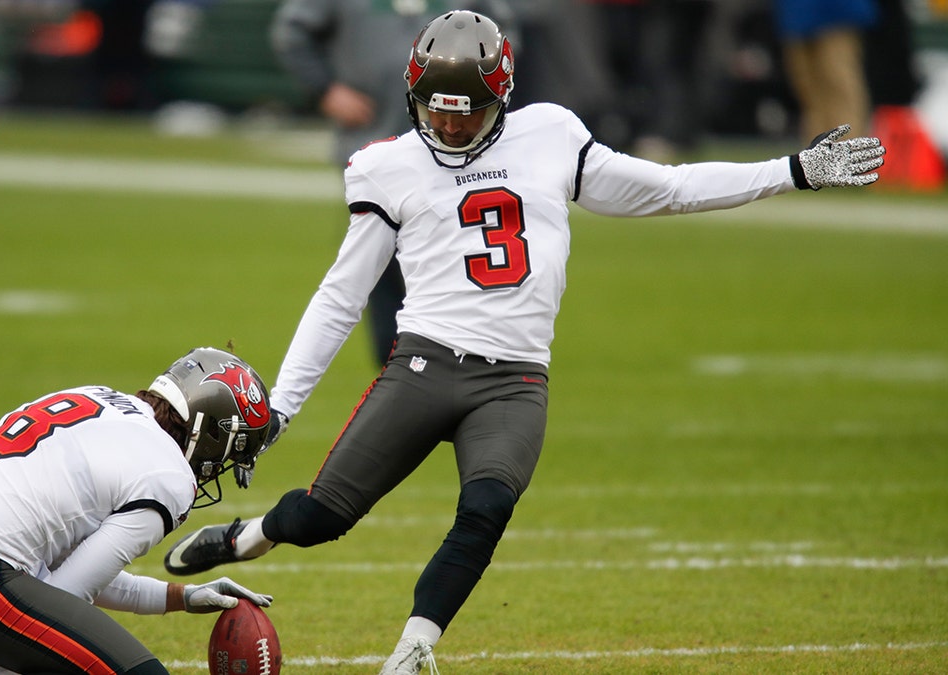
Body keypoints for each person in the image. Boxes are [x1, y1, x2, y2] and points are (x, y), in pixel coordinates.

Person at [164, 11, 886, 675]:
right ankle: (246, 537)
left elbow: (668, 186)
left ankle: (415, 646)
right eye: (436, 115)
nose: (448, 131)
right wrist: (283, 406)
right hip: (423, 364)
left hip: (513, 381)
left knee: (485, 509)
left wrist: (790, 171)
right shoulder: (389, 166)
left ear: (501, 97)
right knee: (324, 517)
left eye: (467, 114)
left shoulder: (549, 135)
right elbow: (340, 296)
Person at [0, 347, 276, 675]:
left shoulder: (98, 398)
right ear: (206, 432)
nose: (217, 467)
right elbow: (68, 594)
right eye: (227, 454)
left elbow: (62, 587)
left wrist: (182, 597)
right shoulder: (169, 476)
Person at [269, 0, 516, 367]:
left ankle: (466, 367)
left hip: (460, 149)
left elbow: (505, 39)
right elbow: (291, 31)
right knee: (376, 270)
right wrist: (326, 89)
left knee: (455, 269)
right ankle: (399, 375)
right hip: (373, 137)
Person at [773, 0, 878, 141]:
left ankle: (848, 151)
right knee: (808, 92)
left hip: (837, 13)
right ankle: (817, 154)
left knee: (839, 85)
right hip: (796, 13)